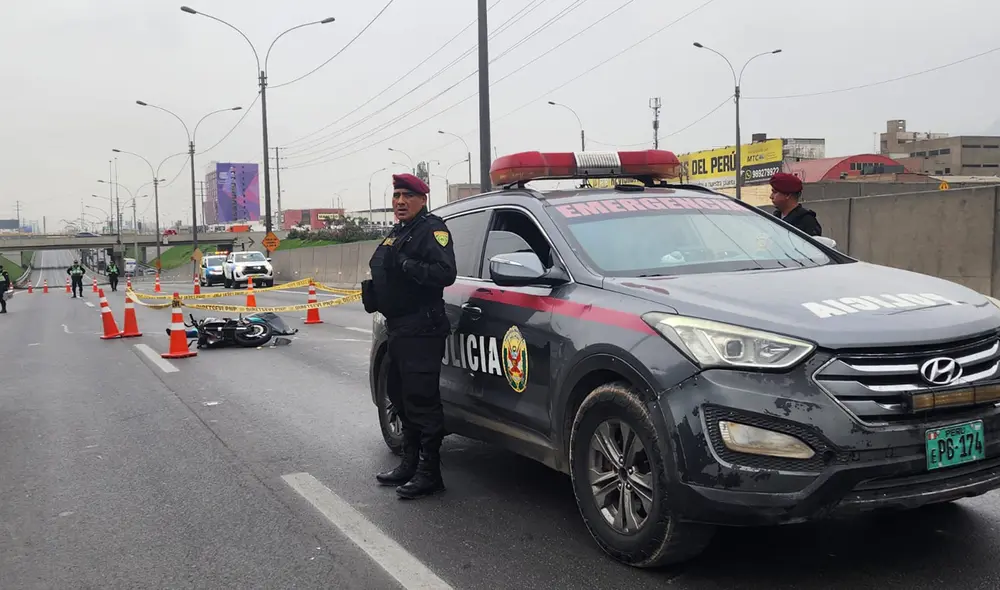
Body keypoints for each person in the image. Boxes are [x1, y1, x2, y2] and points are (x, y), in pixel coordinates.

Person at [362, 173, 457, 500]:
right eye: (396, 196)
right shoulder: (399, 232)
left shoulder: (432, 229)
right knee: (400, 397)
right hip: (399, 328)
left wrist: (407, 264)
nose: (399, 202)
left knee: (422, 401)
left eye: (407, 196)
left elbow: (446, 273)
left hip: (422, 328)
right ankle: (409, 462)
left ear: (422, 199)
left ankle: (430, 473)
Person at [769, 172, 822, 236]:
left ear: (787, 195)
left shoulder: (807, 221)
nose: (771, 196)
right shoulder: (775, 218)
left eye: (774, 192)